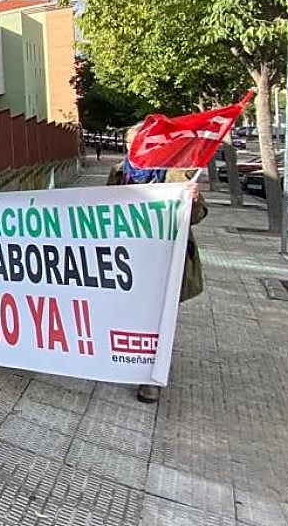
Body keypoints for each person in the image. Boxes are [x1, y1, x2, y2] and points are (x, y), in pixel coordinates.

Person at [109, 122, 206, 404]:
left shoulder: (176, 174)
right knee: (133, 316)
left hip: (165, 260)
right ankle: (130, 362)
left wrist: (193, 200)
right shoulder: (119, 172)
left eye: (140, 144)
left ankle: (151, 379)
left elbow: (197, 216)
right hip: (130, 258)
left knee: (158, 320)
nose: (133, 149)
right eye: (129, 144)